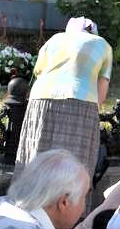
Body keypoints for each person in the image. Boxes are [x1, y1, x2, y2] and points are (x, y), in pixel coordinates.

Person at [15, 17, 113, 179]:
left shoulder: (54, 40)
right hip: (80, 101)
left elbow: (39, 72)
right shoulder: (102, 44)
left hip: (40, 99)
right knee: (73, 165)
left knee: (36, 157)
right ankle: (66, 203)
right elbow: (101, 87)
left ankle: (26, 201)